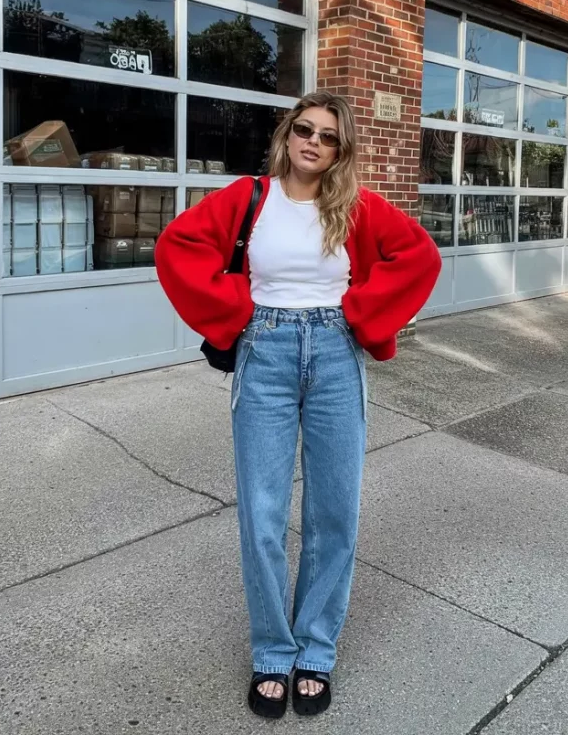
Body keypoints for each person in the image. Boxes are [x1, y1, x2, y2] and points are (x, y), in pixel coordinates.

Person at [155, 91, 441, 718]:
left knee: (334, 511)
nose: (314, 142)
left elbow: (419, 256)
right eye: (305, 129)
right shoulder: (249, 197)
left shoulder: (356, 207)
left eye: (329, 136)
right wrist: (236, 311)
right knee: (262, 513)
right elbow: (177, 246)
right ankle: (272, 651)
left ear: (341, 150)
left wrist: (360, 314)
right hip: (266, 352)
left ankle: (315, 647)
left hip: (336, 353)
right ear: (287, 135)